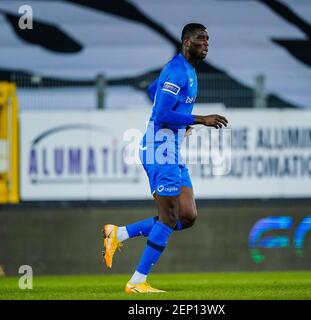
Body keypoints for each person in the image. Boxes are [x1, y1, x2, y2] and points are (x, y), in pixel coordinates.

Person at [102, 23, 228, 293]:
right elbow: (160, 114)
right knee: (169, 217)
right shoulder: (177, 70)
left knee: (187, 215)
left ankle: (119, 233)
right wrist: (200, 119)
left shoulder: (187, 70)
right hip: (160, 149)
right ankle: (137, 282)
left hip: (172, 149)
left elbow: (153, 92)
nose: (206, 44)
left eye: (208, 39)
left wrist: (181, 121)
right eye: (200, 39)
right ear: (186, 43)